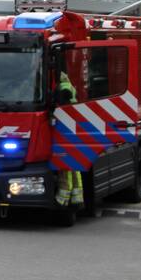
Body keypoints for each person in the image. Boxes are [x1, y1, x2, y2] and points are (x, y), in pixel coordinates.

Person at [56, 72, 83, 207]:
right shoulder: (70, 86)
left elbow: (62, 105)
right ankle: (77, 197)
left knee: (65, 166)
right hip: (72, 128)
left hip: (66, 128)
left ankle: (63, 197)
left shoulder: (64, 88)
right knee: (73, 167)